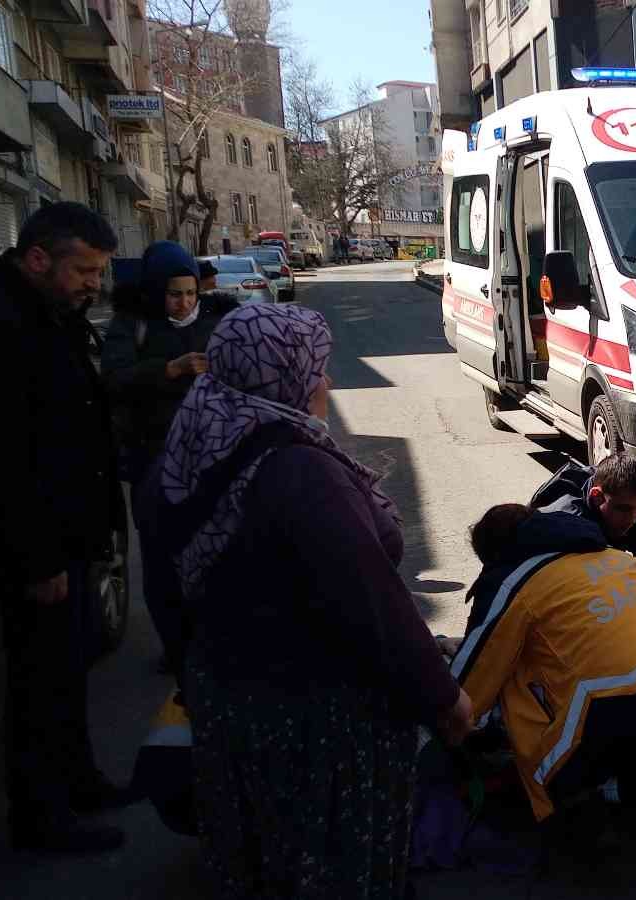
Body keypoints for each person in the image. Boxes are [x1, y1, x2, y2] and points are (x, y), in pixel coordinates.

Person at [134, 303, 471, 897]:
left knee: (261, 854)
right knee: (326, 864)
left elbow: (167, 591)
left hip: (229, 699)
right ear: (282, 375)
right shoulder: (296, 469)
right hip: (315, 721)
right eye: (317, 368)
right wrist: (443, 700)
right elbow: (371, 602)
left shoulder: (188, 448)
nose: (327, 382)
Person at [0, 202, 134, 853]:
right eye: (84, 270)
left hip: (72, 536)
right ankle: (41, 817)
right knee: (37, 684)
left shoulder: (48, 313)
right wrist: (35, 561)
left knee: (70, 669)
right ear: (38, 259)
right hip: (35, 551)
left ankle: (79, 781)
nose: (95, 283)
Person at [452, 503, 636, 838]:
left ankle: (617, 798)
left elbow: (471, 680)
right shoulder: (613, 555)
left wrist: (451, 731)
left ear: (493, 556)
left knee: (560, 778)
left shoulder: (513, 580)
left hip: (626, 704)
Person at [103, 241, 238, 672]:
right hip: (153, 460)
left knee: (217, 553)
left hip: (212, 459)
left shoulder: (220, 320)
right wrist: (169, 370)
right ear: (154, 291)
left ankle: (214, 641)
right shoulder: (133, 324)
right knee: (162, 561)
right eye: (173, 294)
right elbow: (114, 378)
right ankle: (177, 649)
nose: (183, 303)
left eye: (190, 293)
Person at [532, 454, 636, 582]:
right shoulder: (565, 519)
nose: (633, 518)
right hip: (548, 564)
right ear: (597, 497)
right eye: (623, 509)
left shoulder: (624, 498)